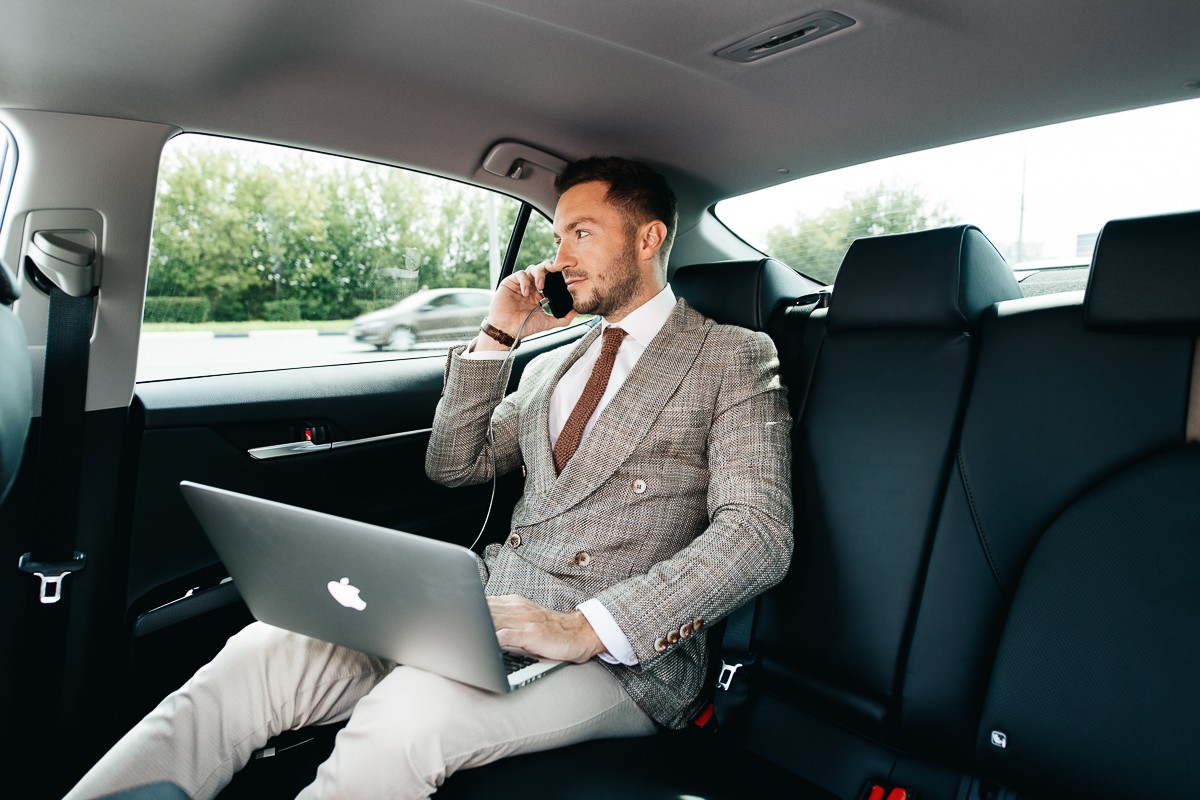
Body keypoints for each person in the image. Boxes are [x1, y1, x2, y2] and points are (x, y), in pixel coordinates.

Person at [66, 156, 793, 800]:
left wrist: (584, 627)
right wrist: (498, 335)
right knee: (261, 651)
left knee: (405, 717)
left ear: (648, 238)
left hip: (613, 658)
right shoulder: (552, 364)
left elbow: (758, 534)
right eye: (557, 236)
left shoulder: (730, 355)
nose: (560, 257)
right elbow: (455, 465)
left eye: (581, 233)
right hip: (481, 613)